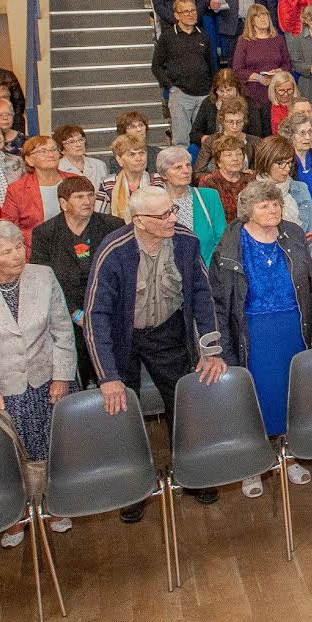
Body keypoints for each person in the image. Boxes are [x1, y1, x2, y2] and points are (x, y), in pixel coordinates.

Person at [83, 185, 228, 521]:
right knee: (123, 410)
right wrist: (108, 376)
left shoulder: (185, 241)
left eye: (173, 210)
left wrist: (210, 350)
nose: (172, 219)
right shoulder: (113, 251)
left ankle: (192, 472)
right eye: (163, 215)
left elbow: (203, 297)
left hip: (168, 332)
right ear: (139, 221)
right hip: (124, 338)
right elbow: (96, 315)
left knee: (184, 402)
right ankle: (132, 486)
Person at [0, 219, 76, 547]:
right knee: (10, 456)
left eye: (19, 247)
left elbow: (63, 330)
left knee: (51, 447)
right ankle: (16, 514)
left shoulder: (43, 276)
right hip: (2, 389)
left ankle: (54, 504)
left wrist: (62, 375)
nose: (17, 255)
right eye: (6, 251)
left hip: (45, 381)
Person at [211, 179, 312, 493]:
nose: (272, 209)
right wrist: (219, 343)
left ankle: (291, 457)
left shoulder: (294, 234)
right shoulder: (231, 243)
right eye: (264, 205)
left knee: (293, 395)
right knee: (254, 398)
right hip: (252, 331)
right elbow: (219, 299)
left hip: (293, 325)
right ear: (248, 211)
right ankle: (253, 466)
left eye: (275, 204)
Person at [30, 176, 121, 388]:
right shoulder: (45, 233)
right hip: (65, 316)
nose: (87, 201)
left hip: (108, 310)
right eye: (79, 197)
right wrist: (73, 313)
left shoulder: (112, 225)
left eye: (90, 195)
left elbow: (121, 273)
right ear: (63, 203)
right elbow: (43, 280)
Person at [153, 0, 215, 145]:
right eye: (185, 11)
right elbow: (156, 66)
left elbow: (211, 63)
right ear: (176, 15)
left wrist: (213, 88)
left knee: (207, 139)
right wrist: (171, 87)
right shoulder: (167, 37)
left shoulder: (204, 35)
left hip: (204, 95)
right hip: (180, 95)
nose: (190, 14)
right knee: (181, 141)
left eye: (193, 10)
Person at [154, 145, 227, 265]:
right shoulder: (154, 202)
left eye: (188, 165)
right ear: (164, 175)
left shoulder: (209, 197)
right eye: (178, 167)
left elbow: (222, 239)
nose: (186, 171)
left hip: (206, 270)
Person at [229, 0, 291, 111]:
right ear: (251, 21)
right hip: (253, 94)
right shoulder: (244, 41)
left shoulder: (278, 39)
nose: (263, 19)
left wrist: (279, 72)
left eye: (265, 15)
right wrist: (259, 78)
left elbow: (287, 64)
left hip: (277, 92)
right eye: (258, 16)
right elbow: (238, 70)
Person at [198, 134, 253, 223]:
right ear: (218, 161)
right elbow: (206, 216)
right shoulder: (209, 182)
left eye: (239, 154)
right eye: (228, 155)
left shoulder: (250, 180)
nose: (235, 159)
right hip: (222, 232)